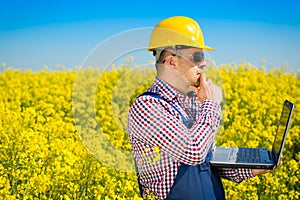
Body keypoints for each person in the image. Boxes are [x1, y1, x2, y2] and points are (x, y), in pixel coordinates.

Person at [127, 16, 275, 200]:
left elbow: (206, 161)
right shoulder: (147, 107)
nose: (204, 64)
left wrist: (251, 168)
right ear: (172, 62)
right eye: (197, 57)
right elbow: (194, 151)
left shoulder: (191, 102)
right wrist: (211, 103)